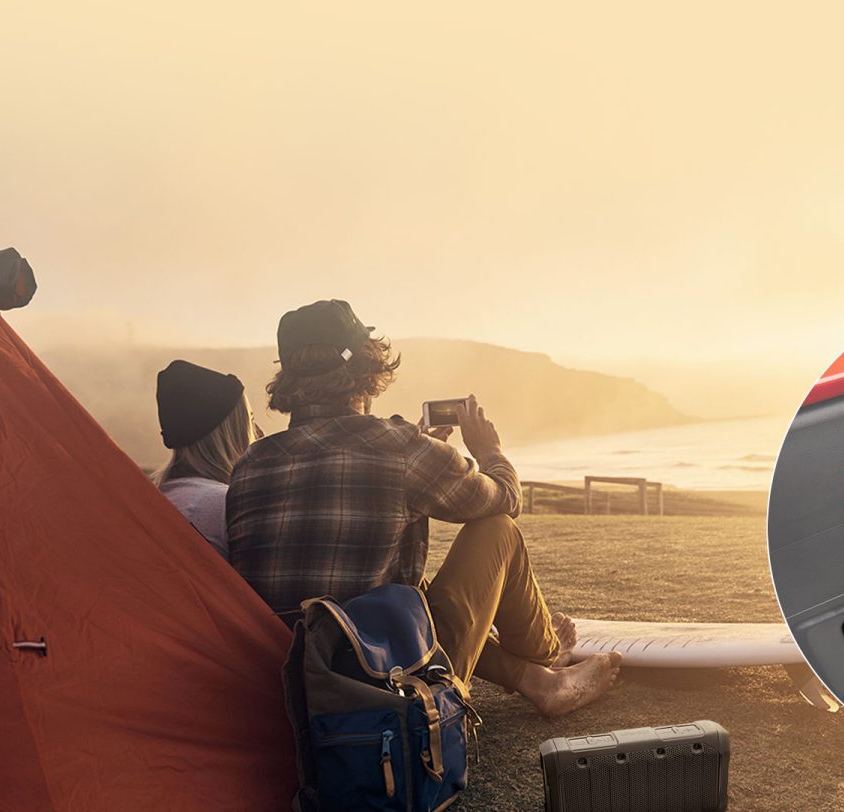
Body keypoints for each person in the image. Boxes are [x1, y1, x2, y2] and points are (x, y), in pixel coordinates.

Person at [227, 300, 621, 718]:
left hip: (291, 694)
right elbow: (505, 497)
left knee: (404, 587)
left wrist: (417, 452)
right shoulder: (398, 447)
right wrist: (489, 451)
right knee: (497, 530)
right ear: (367, 366)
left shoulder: (250, 464)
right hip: (394, 688)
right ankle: (549, 653)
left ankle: (537, 681)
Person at [152, 359, 260, 557]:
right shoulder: (223, 505)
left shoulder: (161, 497)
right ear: (230, 434)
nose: (257, 433)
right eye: (250, 421)